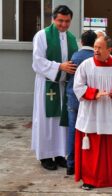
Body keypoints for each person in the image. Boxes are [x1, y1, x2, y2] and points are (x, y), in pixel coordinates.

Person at [73, 36, 112, 190]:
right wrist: (94, 93)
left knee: (111, 149)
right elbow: (78, 86)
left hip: (111, 112)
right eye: (95, 47)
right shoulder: (86, 65)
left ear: (109, 50)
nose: (96, 51)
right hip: (92, 111)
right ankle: (90, 179)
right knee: (91, 149)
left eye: (100, 48)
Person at [31, 5, 78, 171]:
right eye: (60, 21)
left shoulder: (72, 38)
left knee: (61, 122)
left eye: (67, 21)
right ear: (53, 19)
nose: (64, 24)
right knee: (46, 120)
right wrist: (59, 67)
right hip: (47, 84)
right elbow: (37, 61)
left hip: (64, 86)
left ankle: (59, 154)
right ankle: (45, 155)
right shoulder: (42, 35)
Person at [65, 30, 97, 175]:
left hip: (73, 98)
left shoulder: (75, 56)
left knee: (73, 130)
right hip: (90, 99)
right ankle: (87, 163)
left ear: (82, 42)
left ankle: (71, 164)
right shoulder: (95, 57)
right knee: (90, 132)